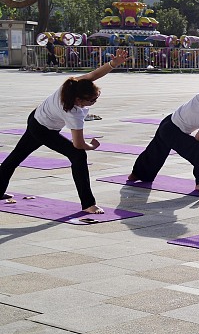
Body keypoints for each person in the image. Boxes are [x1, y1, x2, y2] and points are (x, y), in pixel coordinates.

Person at [0, 49, 129, 214]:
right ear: (79, 100)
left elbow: (95, 74)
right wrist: (92, 146)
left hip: (36, 118)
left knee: (16, 156)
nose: (95, 102)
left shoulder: (73, 85)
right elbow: (78, 144)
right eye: (92, 100)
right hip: (42, 129)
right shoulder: (72, 112)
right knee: (78, 155)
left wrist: (113, 64)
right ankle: (88, 204)